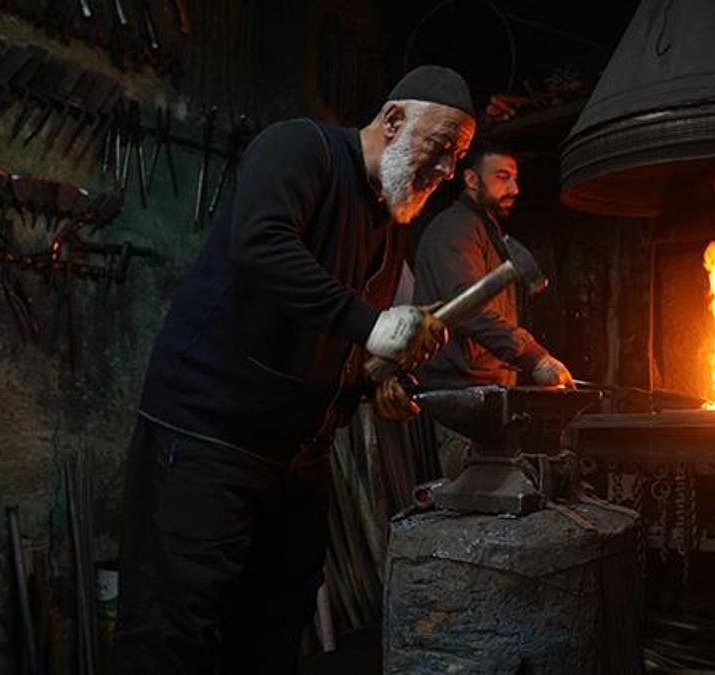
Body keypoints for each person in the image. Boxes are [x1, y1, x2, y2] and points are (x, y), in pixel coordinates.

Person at [113, 65, 476, 673]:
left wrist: (372, 380)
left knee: (273, 626)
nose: (443, 174)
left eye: (455, 160)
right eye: (440, 150)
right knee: (175, 629)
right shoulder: (299, 149)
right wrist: (371, 324)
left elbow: (328, 339)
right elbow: (261, 245)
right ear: (392, 122)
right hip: (210, 436)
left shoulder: (389, 231)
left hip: (296, 460)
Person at [412, 145, 573, 477]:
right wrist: (535, 357)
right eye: (502, 177)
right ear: (471, 179)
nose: (514, 189)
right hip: (459, 399)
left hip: (487, 394)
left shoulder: (489, 234)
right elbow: (469, 307)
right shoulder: (455, 229)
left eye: (515, 179)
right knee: (472, 506)